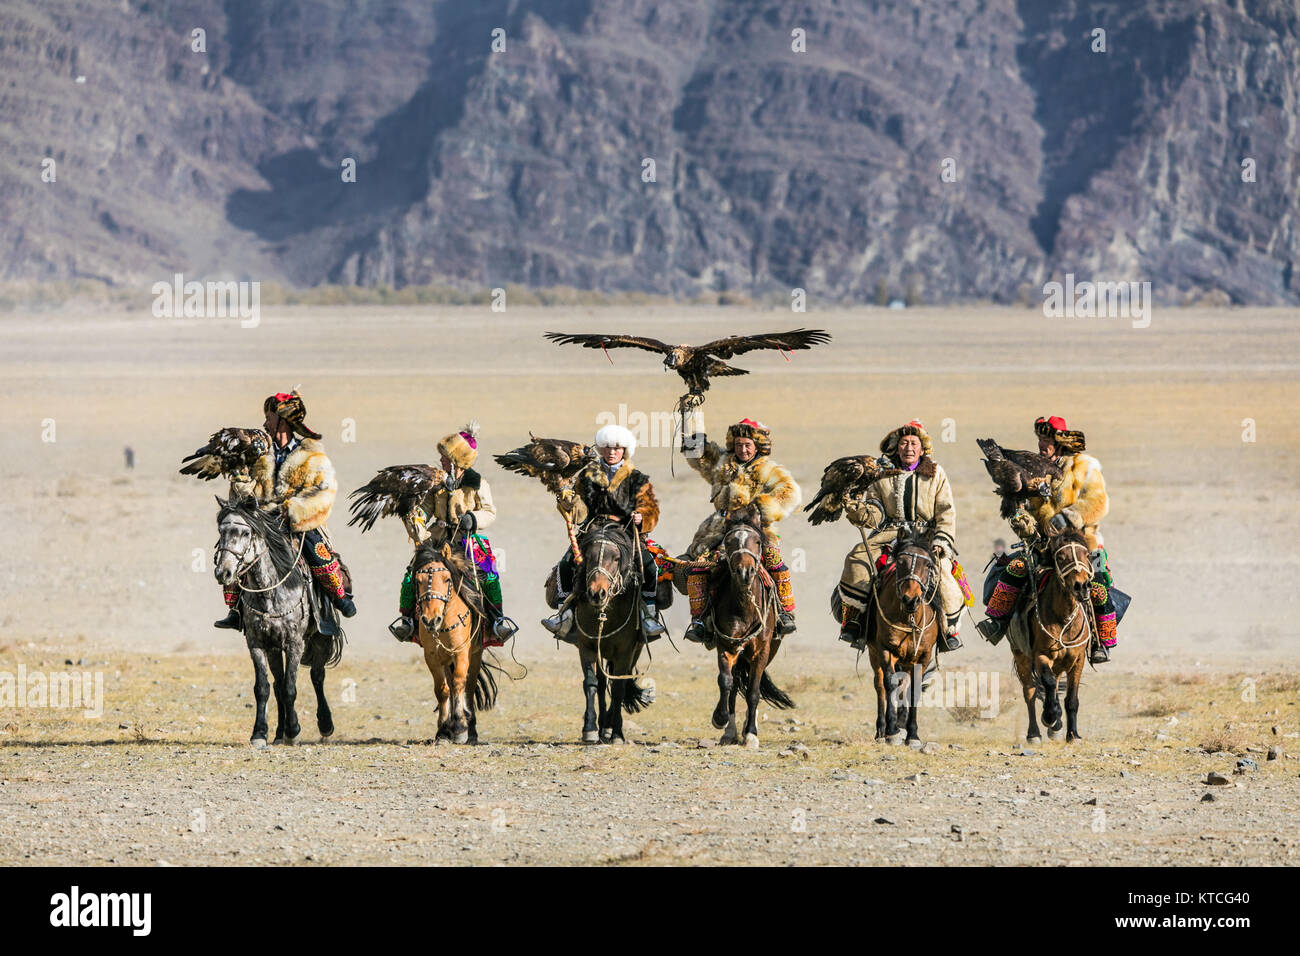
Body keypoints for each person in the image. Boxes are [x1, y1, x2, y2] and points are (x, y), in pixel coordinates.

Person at [976, 415, 1117, 663]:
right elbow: (1017, 507)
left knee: (1099, 587)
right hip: (1043, 545)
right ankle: (997, 623)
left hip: (1083, 544)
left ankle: (1100, 642)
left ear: (1061, 442)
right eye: (1040, 438)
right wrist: (1023, 523)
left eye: (1048, 439)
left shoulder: (1085, 465)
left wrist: (1069, 517)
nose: (1042, 444)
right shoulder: (1030, 468)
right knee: (1014, 569)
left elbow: (1099, 502)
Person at [216, 390, 356, 629]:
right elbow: (251, 494)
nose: (264, 423)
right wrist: (240, 483)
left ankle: (338, 597)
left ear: (283, 421)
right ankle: (236, 609)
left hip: (300, 522)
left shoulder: (312, 456)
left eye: (269, 417)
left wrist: (294, 509)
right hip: (265, 522)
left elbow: (323, 492)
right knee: (235, 546)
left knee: (316, 550)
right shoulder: (261, 456)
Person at [836, 420, 966, 652]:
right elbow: (876, 511)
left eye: (914, 443)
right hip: (890, 534)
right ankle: (854, 621)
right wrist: (861, 512)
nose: (908, 448)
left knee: (944, 574)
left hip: (925, 538)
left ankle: (948, 629)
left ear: (922, 448)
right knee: (857, 560)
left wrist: (941, 541)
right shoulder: (882, 474)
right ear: (897, 447)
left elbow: (946, 512)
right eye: (904, 443)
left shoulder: (936, 474)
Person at [389, 423, 516, 647]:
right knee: (411, 575)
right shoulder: (436, 484)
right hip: (436, 540)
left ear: (457, 460)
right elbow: (426, 509)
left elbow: (489, 511)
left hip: (467, 541)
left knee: (489, 575)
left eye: (445, 457)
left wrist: (473, 519)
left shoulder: (478, 484)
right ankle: (407, 621)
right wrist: (414, 516)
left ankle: (497, 621)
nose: (441, 461)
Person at [541, 424, 665, 643]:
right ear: (601, 449)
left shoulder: (637, 478)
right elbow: (580, 512)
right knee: (566, 563)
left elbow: (651, 508)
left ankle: (649, 614)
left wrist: (642, 518)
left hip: (626, 532)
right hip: (593, 531)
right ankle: (564, 613)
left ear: (624, 450)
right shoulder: (586, 476)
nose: (612, 451)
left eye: (617, 448)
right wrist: (569, 502)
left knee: (649, 564)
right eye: (607, 447)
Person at [681, 418, 801, 643]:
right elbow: (695, 451)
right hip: (720, 528)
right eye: (738, 445)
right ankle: (698, 620)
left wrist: (759, 509)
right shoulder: (722, 462)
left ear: (757, 446)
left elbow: (790, 492)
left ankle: (785, 614)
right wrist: (691, 413)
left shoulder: (768, 469)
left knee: (776, 563)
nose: (743, 449)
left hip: (756, 528)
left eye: (747, 445)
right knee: (699, 565)